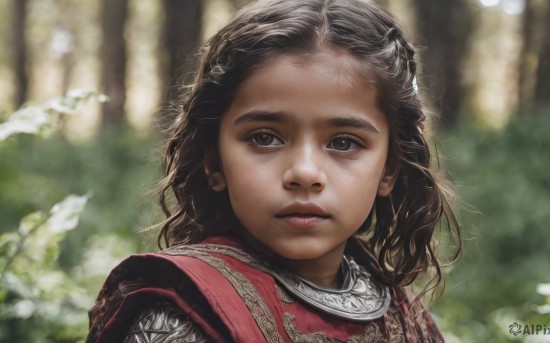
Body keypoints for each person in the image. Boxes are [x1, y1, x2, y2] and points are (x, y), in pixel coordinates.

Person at [86, 0, 461, 341]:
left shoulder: (404, 314)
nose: (304, 172)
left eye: (344, 143)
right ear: (214, 160)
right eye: (265, 138)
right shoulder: (179, 314)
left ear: (388, 170)